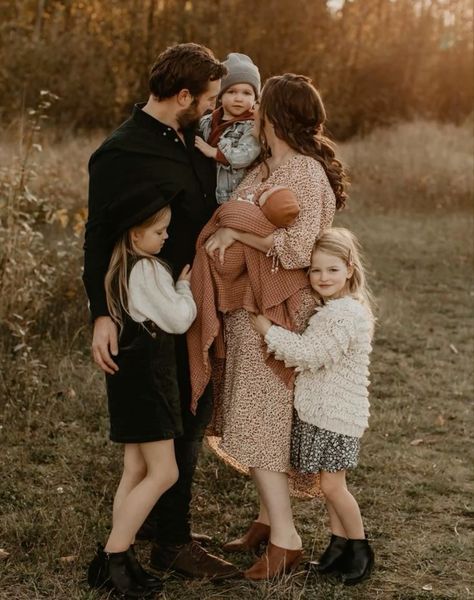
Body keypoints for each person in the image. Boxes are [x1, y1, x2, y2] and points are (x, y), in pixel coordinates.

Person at [83, 43, 240, 580]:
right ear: (182, 96)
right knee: (173, 429)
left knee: (190, 418)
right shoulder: (121, 154)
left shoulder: (189, 138)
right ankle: (168, 543)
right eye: (209, 99)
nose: (214, 107)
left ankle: (157, 527)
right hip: (155, 311)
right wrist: (100, 314)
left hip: (188, 298)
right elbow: (98, 237)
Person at [201, 74, 348, 580]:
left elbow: (300, 249)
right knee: (261, 411)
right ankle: (266, 521)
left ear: (275, 116)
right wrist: (230, 224)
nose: (254, 113)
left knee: (262, 416)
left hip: (281, 307)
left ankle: (287, 541)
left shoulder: (305, 171)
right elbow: (230, 211)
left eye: (262, 107)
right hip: (250, 305)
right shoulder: (268, 165)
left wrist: (239, 229)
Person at [87, 188, 197, 598]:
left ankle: (120, 556)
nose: (166, 237)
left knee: (135, 470)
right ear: (135, 236)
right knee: (164, 472)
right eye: (159, 231)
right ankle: (114, 556)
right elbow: (179, 319)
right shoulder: (149, 270)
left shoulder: (116, 270)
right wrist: (184, 287)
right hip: (151, 383)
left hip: (128, 382)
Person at [250, 228, 375, 586]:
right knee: (328, 484)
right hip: (323, 413)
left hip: (337, 416)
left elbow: (309, 354)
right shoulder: (333, 309)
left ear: (349, 269)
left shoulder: (344, 314)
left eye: (332, 270)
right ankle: (337, 546)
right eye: (316, 271)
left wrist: (266, 330)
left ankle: (360, 547)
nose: (322, 278)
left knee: (334, 487)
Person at [195, 53, 261, 204]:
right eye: (231, 92)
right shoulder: (207, 121)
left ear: (255, 98)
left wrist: (214, 152)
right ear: (219, 95)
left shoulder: (251, 126)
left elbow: (246, 155)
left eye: (247, 93)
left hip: (231, 197)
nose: (239, 98)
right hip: (204, 191)